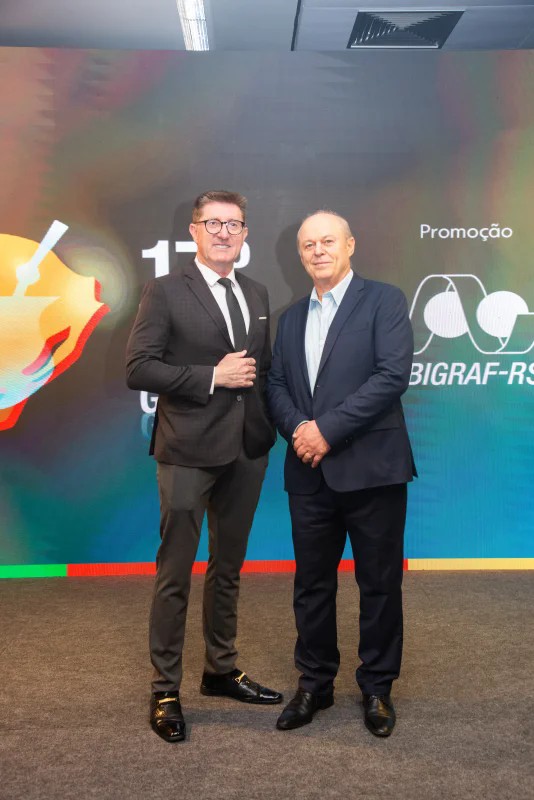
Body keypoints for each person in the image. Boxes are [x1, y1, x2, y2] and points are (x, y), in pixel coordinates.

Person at [126, 190, 281, 743]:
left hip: (247, 451)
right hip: (187, 451)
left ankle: (220, 669)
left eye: (233, 224)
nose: (223, 233)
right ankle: (164, 688)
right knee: (175, 573)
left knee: (228, 568)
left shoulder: (256, 292)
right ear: (193, 231)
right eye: (212, 223)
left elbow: (263, 372)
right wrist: (212, 376)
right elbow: (139, 368)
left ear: (244, 234)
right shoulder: (165, 290)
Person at [266, 210, 416, 737]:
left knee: (379, 584)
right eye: (309, 244)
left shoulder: (385, 301)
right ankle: (315, 684)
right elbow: (275, 386)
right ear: (300, 254)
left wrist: (326, 431)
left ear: (350, 245)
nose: (318, 251)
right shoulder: (289, 319)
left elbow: (392, 375)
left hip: (373, 470)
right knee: (311, 585)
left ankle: (377, 687)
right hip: (309, 474)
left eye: (328, 241)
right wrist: (299, 431)